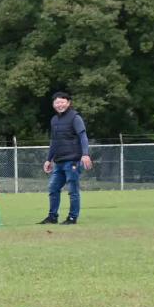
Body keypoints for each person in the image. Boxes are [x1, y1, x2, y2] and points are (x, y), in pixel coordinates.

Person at [40, 91, 91, 225]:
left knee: (73, 190)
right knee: (53, 188)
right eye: (57, 102)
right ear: (53, 104)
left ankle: (72, 218)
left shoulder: (75, 118)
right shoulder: (54, 120)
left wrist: (85, 154)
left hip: (72, 160)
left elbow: (83, 136)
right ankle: (52, 217)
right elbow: (54, 141)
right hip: (59, 161)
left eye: (62, 102)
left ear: (68, 103)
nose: (60, 105)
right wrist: (48, 159)